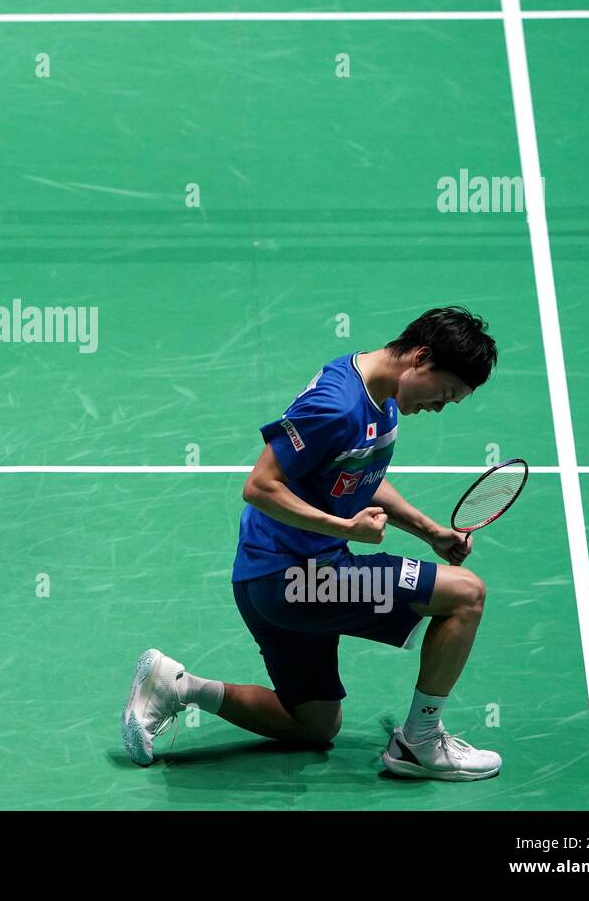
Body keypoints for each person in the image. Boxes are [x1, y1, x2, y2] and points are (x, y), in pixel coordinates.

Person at [121, 307, 502, 780]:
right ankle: (421, 742)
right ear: (421, 358)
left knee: (313, 725)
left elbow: (353, 474)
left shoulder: (377, 390)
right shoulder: (338, 405)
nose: (439, 407)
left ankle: (178, 687)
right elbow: (259, 486)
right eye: (444, 394)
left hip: (266, 578)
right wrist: (346, 530)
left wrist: (429, 531)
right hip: (298, 580)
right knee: (467, 595)